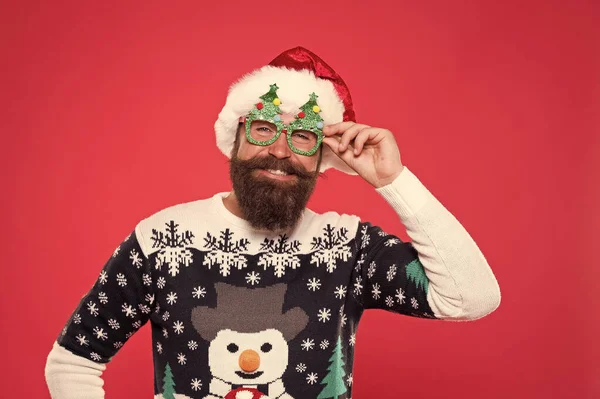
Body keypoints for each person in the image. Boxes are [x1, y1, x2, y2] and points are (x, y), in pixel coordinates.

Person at [45, 46, 501, 399]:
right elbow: (73, 361)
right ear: (236, 137)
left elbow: (472, 297)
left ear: (323, 155)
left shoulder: (348, 247)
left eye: (302, 135)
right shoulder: (162, 240)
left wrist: (393, 181)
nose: (280, 151)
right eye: (264, 127)